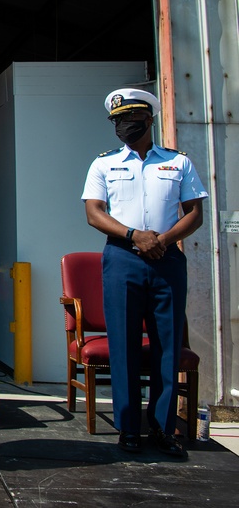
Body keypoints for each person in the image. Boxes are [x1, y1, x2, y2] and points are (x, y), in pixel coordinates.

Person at [81, 87, 207, 459]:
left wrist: (162, 240)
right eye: (118, 121)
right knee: (124, 345)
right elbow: (94, 213)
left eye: (131, 119)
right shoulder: (103, 163)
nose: (123, 126)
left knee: (167, 346)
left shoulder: (177, 162)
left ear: (149, 119)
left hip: (166, 260)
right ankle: (128, 428)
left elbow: (194, 213)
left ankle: (164, 428)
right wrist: (135, 236)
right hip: (122, 258)